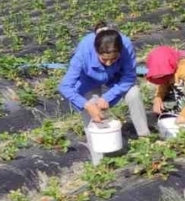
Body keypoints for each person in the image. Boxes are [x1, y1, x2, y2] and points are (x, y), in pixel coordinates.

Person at [58, 22, 151, 164]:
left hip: (115, 78)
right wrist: (87, 105)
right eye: (104, 59)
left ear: (120, 51)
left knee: (134, 92)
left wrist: (108, 97)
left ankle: (145, 140)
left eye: (114, 59)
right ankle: (99, 162)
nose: (109, 63)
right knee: (91, 115)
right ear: (96, 52)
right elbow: (65, 86)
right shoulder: (84, 53)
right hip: (88, 80)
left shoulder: (125, 46)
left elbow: (128, 77)